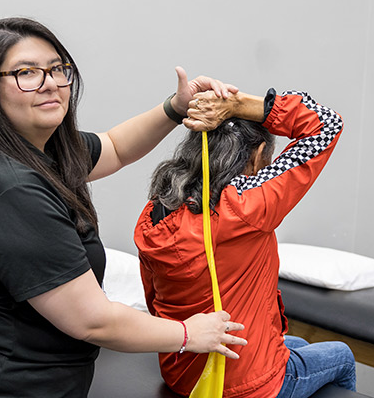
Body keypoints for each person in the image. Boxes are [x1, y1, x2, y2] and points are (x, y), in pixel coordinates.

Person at [0, 17, 248, 398]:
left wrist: (176, 107)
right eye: (26, 73)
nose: (51, 83)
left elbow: (116, 147)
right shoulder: (11, 187)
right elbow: (93, 322)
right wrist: (190, 334)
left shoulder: (42, 150)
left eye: (58, 68)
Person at [134, 87, 357, 397]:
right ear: (255, 157)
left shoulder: (156, 212)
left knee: (299, 345)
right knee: (341, 356)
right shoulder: (244, 206)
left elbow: (154, 300)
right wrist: (240, 104)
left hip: (186, 375)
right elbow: (326, 124)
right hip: (247, 385)